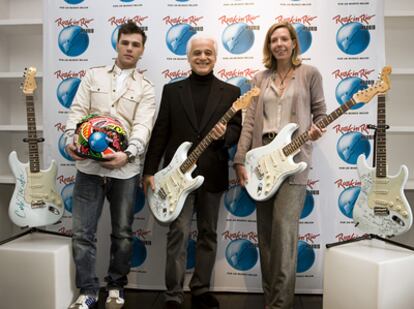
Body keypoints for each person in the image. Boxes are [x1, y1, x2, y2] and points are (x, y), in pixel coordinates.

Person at [143, 34, 242, 309]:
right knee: (179, 232)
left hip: (212, 173)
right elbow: (161, 132)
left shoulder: (231, 92)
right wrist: (149, 170)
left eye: (208, 53)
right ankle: (173, 294)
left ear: (215, 56)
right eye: (197, 53)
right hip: (176, 178)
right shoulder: (172, 91)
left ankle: (200, 289)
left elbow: (237, 129)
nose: (203, 57)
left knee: (208, 233)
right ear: (188, 57)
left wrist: (225, 136)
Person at [233, 22, 327, 309]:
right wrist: (239, 158)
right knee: (267, 237)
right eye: (274, 40)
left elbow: (321, 113)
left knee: (284, 234)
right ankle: (270, 298)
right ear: (269, 45)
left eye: (285, 38)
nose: (280, 44)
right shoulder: (259, 79)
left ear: (294, 43)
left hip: (294, 162)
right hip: (262, 163)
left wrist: (316, 130)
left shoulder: (310, 74)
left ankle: (280, 304)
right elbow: (249, 122)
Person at [64, 20, 156, 309]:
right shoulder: (92, 76)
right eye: (125, 42)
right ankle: (88, 290)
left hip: (124, 170)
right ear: (117, 43)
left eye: (135, 44)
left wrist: (127, 155)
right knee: (82, 233)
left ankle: (116, 286)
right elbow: (77, 111)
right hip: (88, 169)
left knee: (124, 234)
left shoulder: (146, 88)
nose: (129, 48)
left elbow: (143, 126)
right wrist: (71, 140)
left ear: (142, 50)